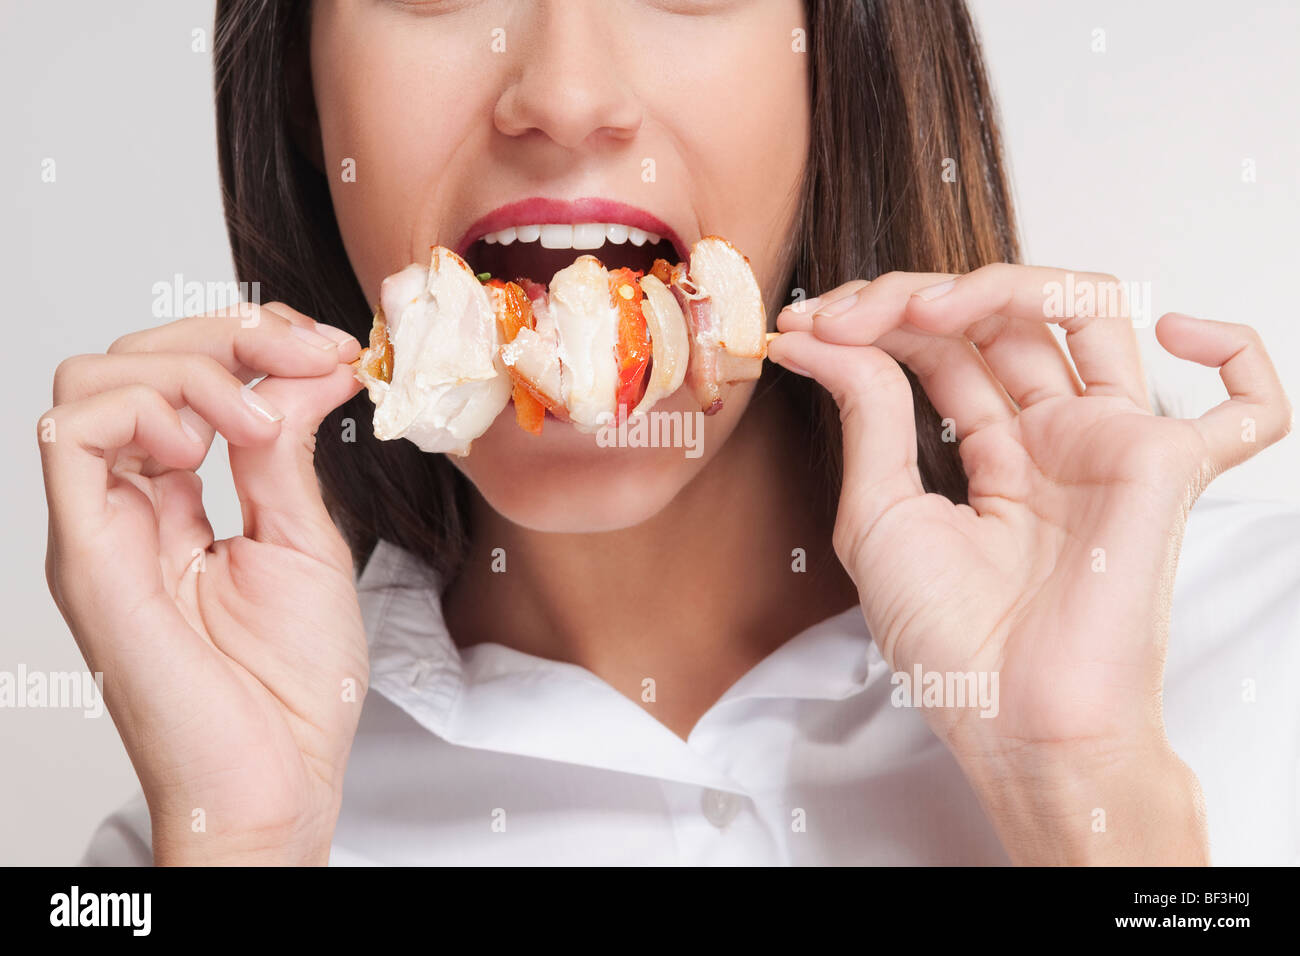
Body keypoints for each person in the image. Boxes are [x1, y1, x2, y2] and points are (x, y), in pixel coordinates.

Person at [43, 0, 1296, 865]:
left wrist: (1086, 788)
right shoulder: (195, 830)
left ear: (841, 56)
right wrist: (248, 846)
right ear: (304, 96)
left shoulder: (1262, 641)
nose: (564, 95)